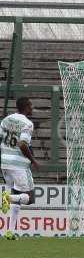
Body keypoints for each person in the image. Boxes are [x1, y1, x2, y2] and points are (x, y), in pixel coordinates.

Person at [0, 97, 39, 240]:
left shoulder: (6, 120)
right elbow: (23, 144)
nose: (32, 108)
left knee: (17, 198)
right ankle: (6, 198)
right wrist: (33, 160)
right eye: (31, 105)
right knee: (29, 198)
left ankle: (9, 231)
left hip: (5, 163)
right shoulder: (27, 123)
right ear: (26, 107)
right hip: (19, 165)